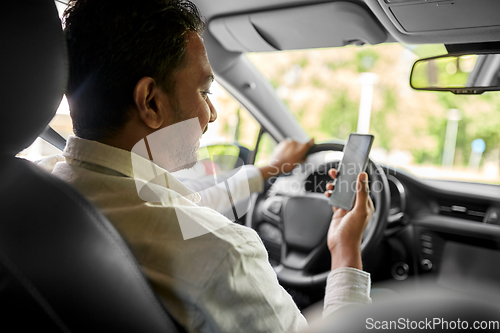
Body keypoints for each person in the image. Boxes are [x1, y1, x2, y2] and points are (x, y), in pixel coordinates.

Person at [51, 0, 374, 332]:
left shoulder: (42, 186)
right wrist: (345, 250)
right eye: (204, 91)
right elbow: (187, 225)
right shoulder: (225, 257)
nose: (213, 113)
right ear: (151, 101)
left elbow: (184, 210)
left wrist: (266, 170)